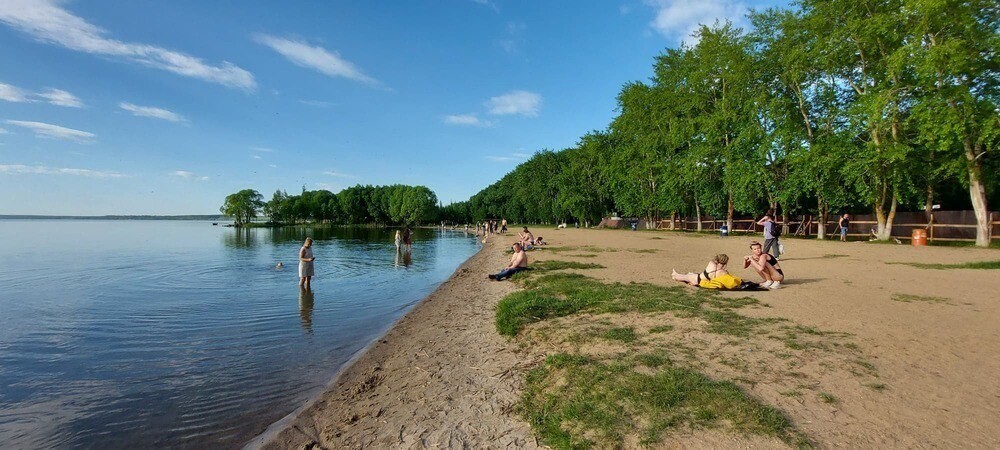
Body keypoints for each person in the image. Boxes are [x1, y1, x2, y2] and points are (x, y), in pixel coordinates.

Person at [671, 254, 742, 289]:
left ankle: (675, 274)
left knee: (678, 276)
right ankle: (678, 275)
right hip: (701, 281)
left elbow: (713, 261)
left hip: (697, 278)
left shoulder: (712, 264)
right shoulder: (723, 272)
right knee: (688, 275)